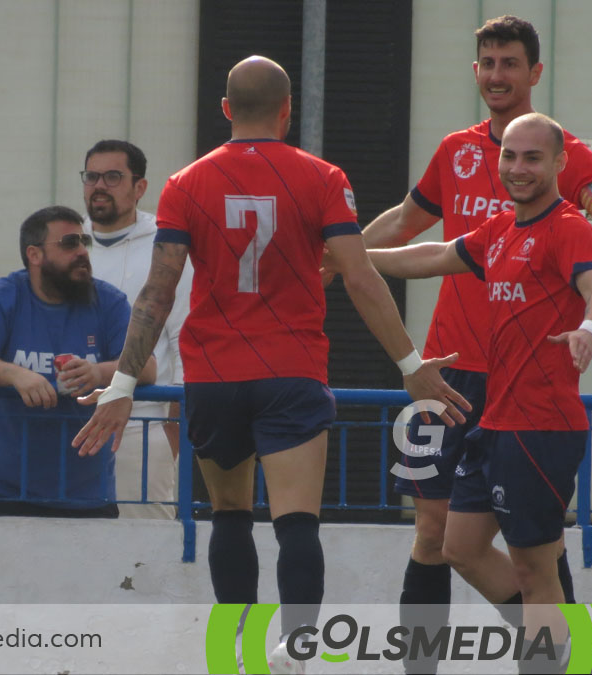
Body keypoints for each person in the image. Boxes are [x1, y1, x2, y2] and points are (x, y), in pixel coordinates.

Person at [71, 56, 470, 671]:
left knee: (229, 515)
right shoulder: (322, 178)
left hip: (214, 373)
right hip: (291, 369)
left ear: (226, 110)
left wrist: (122, 383)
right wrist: (410, 363)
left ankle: (236, 650)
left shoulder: (184, 184)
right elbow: (360, 275)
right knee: (297, 521)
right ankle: (298, 646)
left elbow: (158, 290)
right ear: (287, 111)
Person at [357, 15, 592, 669]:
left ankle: (558, 652)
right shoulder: (457, 152)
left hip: (519, 383)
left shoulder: (564, 163)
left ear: (534, 73)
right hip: (442, 373)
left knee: (537, 548)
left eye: (510, 64)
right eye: (488, 64)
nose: (498, 75)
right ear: (476, 73)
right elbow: (410, 230)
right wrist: (342, 252)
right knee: (434, 534)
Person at [353, 112, 592, 672]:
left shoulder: (569, 227)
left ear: (559, 164)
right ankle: (567, 651)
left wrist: (588, 331)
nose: (518, 168)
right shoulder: (500, 229)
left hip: (541, 427)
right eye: (510, 157)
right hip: (494, 423)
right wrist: (350, 258)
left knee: (535, 572)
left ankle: (554, 655)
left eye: (533, 158)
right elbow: (430, 256)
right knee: (459, 547)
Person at [0, 205, 155, 518]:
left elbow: (148, 367)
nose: (82, 252)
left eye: (84, 242)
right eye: (69, 243)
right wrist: (16, 375)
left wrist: (98, 372)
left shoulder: (109, 302)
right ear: (34, 255)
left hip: (84, 493)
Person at [81, 139, 193, 519]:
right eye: (92, 176)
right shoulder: (69, 245)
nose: (99, 186)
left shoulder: (167, 244)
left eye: (113, 177)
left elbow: (183, 340)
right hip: (68, 422)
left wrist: (171, 432)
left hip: (141, 423)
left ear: (140, 187)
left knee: (144, 553)